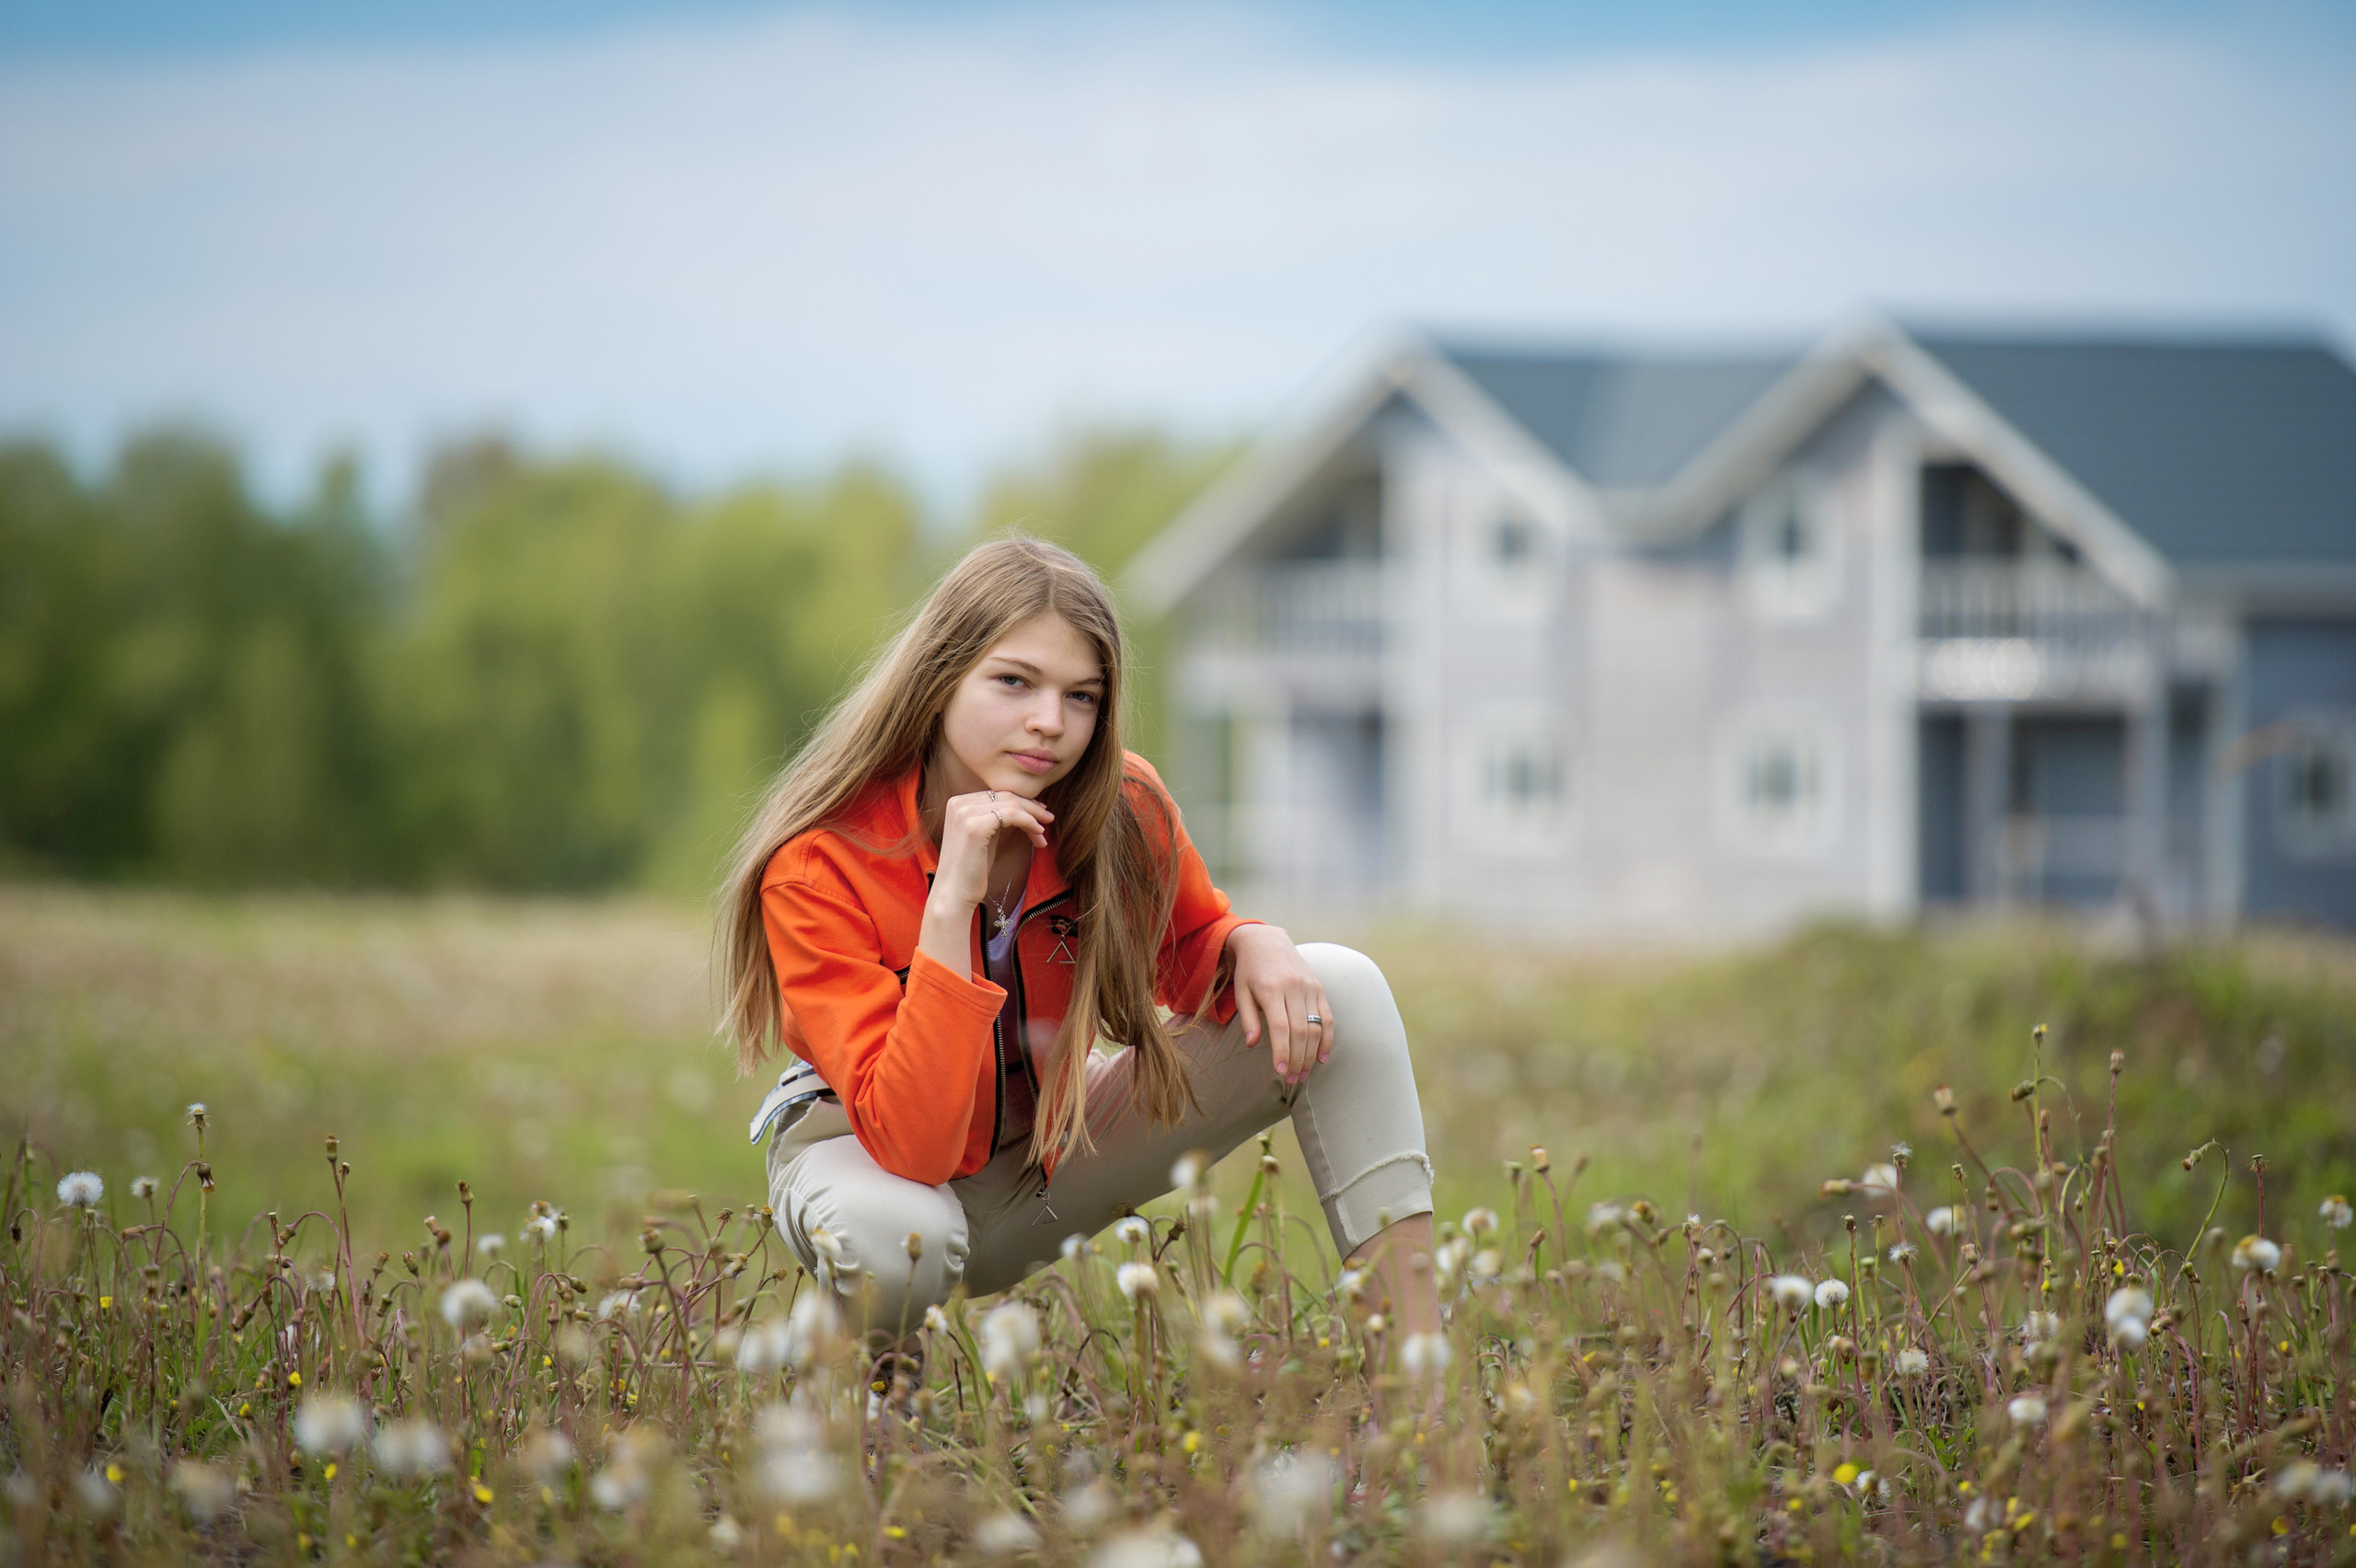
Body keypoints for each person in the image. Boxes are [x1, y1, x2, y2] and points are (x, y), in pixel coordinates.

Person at [717, 536, 1437, 1351]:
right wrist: (952, 899)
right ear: (940, 678)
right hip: (875, 1166)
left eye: (1082, 696)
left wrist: (1251, 940)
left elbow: (1194, 949)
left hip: (1046, 1158)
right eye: (1014, 681)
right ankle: (883, 1410)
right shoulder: (820, 865)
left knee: (1338, 983)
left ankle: (1419, 1402)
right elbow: (913, 1145)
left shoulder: (1119, 804)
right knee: (896, 1240)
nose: (1049, 724)